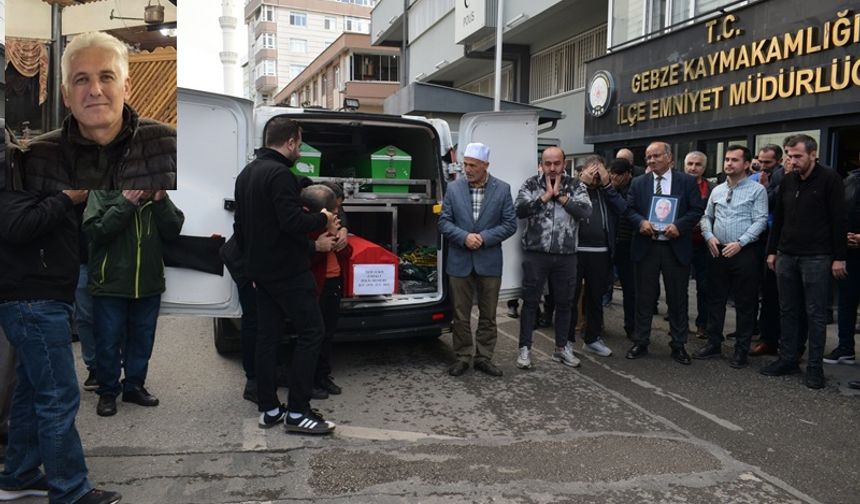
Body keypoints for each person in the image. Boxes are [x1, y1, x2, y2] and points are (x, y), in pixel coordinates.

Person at [0, 189, 122, 504]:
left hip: (39, 298)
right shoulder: (21, 172)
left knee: (30, 393)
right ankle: (70, 488)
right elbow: (15, 225)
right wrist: (66, 198)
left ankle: (19, 475)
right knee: (58, 395)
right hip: (34, 300)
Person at [233, 117, 338, 434]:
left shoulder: (247, 173)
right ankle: (297, 412)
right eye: (300, 142)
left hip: (261, 272)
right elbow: (292, 222)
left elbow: (243, 227)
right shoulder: (278, 174)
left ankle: (269, 409)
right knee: (311, 333)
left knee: (267, 337)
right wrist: (322, 217)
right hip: (288, 272)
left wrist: (302, 187)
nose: (301, 148)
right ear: (291, 141)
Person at [23, 32, 175, 190]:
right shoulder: (34, 159)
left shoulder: (171, 146)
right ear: (66, 94)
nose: (95, 91)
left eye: (106, 77)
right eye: (82, 79)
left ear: (127, 88)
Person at [83, 190, 184, 417]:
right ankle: (108, 392)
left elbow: (173, 229)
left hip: (147, 285)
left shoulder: (157, 199)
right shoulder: (102, 192)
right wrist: (125, 203)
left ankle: (134, 386)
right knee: (108, 340)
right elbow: (95, 231)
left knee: (142, 339)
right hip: (109, 284)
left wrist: (160, 201)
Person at [762, 134, 847, 389]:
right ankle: (787, 359)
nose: (792, 160)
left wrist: (839, 258)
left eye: (797, 155)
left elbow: (838, 221)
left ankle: (814, 368)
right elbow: (779, 219)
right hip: (786, 255)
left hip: (818, 258)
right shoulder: (787, 180)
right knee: (787, 310)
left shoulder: (830, 179)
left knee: (815, 314)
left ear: (813, 154)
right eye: (789, 155)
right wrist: (772, 251)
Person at [439, 142, 517, 376]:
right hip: (460, 261)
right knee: (460, 314)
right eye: (465, 164)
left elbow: (510, 224)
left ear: (485, 165)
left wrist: (483, 238)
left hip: (489, 261)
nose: (467, 169)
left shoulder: (502, 189)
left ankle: (484, 357)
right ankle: (463, 356)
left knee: (488, 314)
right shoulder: (453, 189)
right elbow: (443, 222)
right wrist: (464, 237)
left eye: (473, 165)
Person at [625, 141, 705, 365]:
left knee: (677, 298)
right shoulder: (638, 183)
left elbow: (697, 209)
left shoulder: (686, 182)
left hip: (675, 247)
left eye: (656, 156)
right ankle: (641, 340)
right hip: (646, 246)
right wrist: (640, 222)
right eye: (648, 157)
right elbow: (628, 210)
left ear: (670, 158)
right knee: (644, 297)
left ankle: (679, 344)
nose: (650, 160)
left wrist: (679, 225)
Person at [515, 146, 592, 370]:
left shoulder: (576, 185)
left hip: (566, 255)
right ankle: (525, 350)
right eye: (547, 163)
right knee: (530, 302)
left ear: (564, 163)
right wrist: (546, 196)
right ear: (541, 163)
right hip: (536, 254)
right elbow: (519, 210)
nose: (551, 168)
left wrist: (561, 197)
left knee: (565, 303)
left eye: (556, 163)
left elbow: (586, 212)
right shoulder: (531, 184)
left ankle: (561, 349)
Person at [693, 146, 768, 368]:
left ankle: (741, 351)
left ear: (746, 164)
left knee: (745, 303)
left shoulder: (757, 190)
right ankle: (714, 343)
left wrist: (741, 243)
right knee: (715, 299)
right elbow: (706, 216)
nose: (729, 164)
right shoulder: (716, 190)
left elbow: (761, 220)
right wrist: (708, 236)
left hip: (744, 252)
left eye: (734, 160)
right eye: (726, 159)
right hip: (717, 250)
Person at [567, 156, 627, 357]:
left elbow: (623, 209)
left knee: (595, 297)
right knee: (571, 297)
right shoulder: (573, 187)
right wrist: (581, 183)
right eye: (591, 170)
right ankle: (566, 340)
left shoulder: (608, 191)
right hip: (575, 251)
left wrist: (607, 184)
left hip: (601, 253)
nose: (595, 175)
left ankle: (592, 338)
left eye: (599, 170)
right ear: (581, 171)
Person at [304, 183, 352, 395]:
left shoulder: (336, 224)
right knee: (314, 335)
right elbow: (305, 258)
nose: (337, 214)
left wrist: (341, 239)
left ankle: (323, 376)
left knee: (328, 333)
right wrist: (325, 239)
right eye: (334, 210)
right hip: (316, 287)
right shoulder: (310, 228)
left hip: (334, 284)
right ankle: (310, 380)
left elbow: (346, 254)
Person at [822, 159, 860, 365]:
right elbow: (839, 214)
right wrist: (842, 238)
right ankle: (845, 348)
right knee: (846, 302)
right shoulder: (851, 180)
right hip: (850, 253)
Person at [684, 151, 714, 339]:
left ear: (704, 167)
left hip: (704, 243)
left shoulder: (712, 188)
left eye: (698, 164)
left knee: (704, 286)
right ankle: (679, 322)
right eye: (690, 164)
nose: (693, 168)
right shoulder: (676, 185)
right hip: (681, 240)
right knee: (679, 285)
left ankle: (703, 324)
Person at [608, 158, 637, 340]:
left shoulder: (634, 188)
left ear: (627, 174)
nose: (614, 178)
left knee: (630, 289)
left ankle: (631, 326)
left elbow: (626, 209)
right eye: (611, 174)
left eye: (617, 175)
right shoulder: (609, 188)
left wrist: (611, 190)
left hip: (628, 245)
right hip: (610, 242)